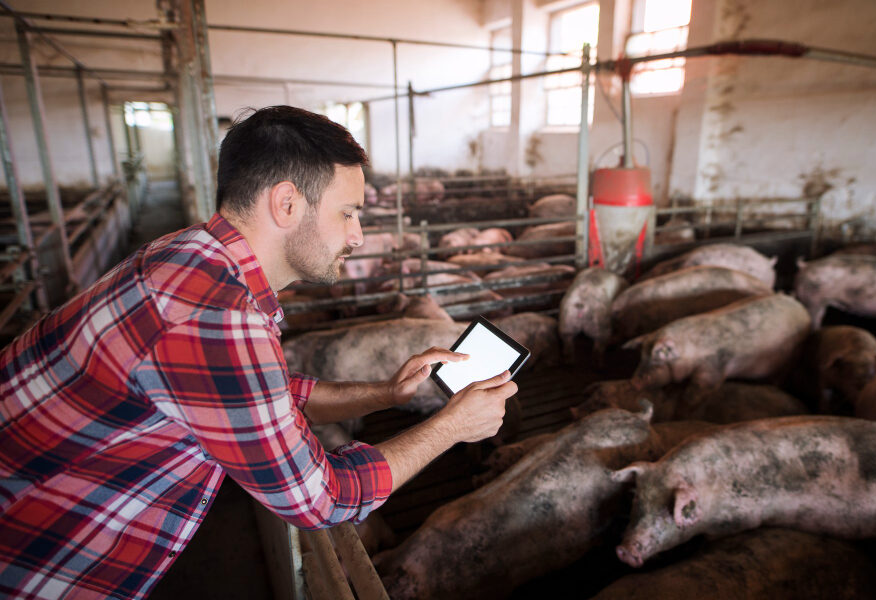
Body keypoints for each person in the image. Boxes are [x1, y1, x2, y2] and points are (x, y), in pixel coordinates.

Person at [0, 105, 517, 599]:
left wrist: (385, 394)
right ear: (287, 204)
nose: (358, 236)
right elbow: (325, 499)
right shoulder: (218, 316)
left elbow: (264, 395)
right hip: (33, 565)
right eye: (348, 213)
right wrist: (452, 426)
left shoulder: (186, 255)